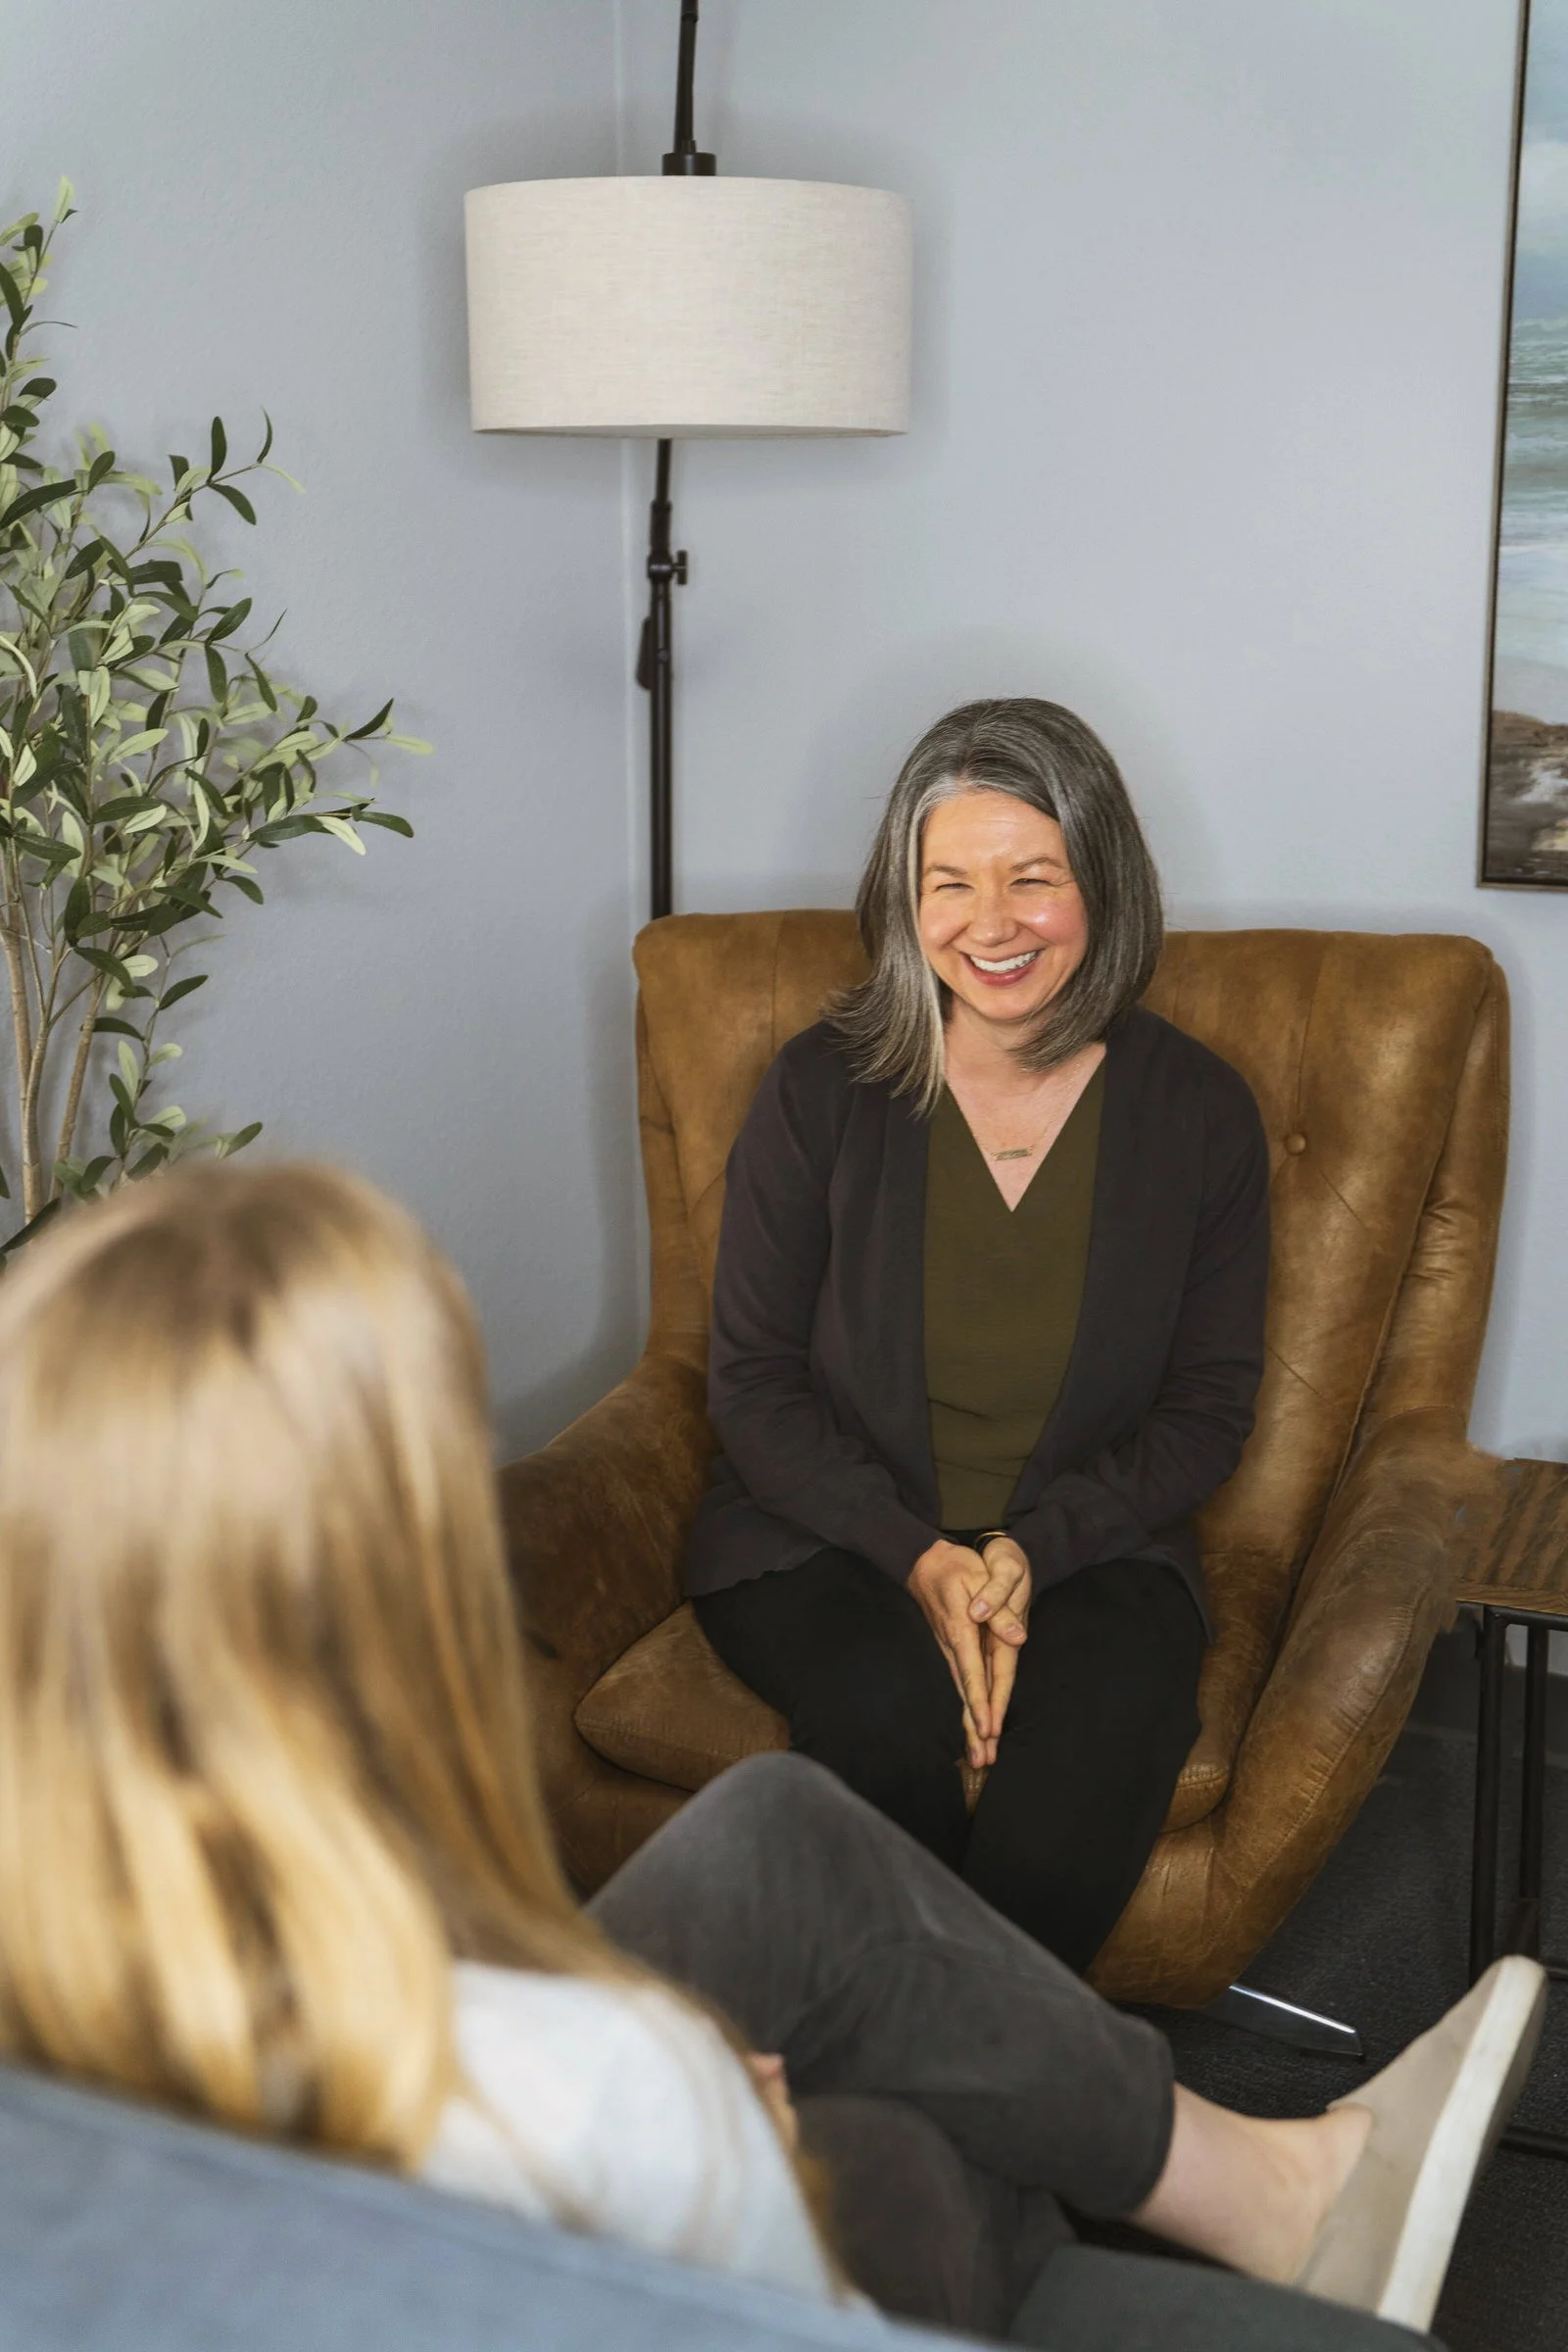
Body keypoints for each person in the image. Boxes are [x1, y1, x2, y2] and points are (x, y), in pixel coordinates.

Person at [0, 1163, 1540, 2349]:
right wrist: (712, 2132)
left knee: (779, 1837)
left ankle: (1244, 2188)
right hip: (575, 2195)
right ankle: (1255, 2204)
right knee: (889, 2141)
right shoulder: (600, 2085)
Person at [687, 696, 1267, 1970]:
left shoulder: (1199, 1115)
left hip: (1096, 1542)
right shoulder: (820, 1090)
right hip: (826, 1536)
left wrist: (1027, 1554)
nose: (989, 925)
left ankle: (911, 2121)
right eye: (948, 883)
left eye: (1031, 879)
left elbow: (1209, 1410)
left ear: (1101, 881)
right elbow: (755, 1385)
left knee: (1089, 1766)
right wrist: (919, 1559)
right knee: (887, 1725)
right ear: (905, 899)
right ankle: (996, 2127)